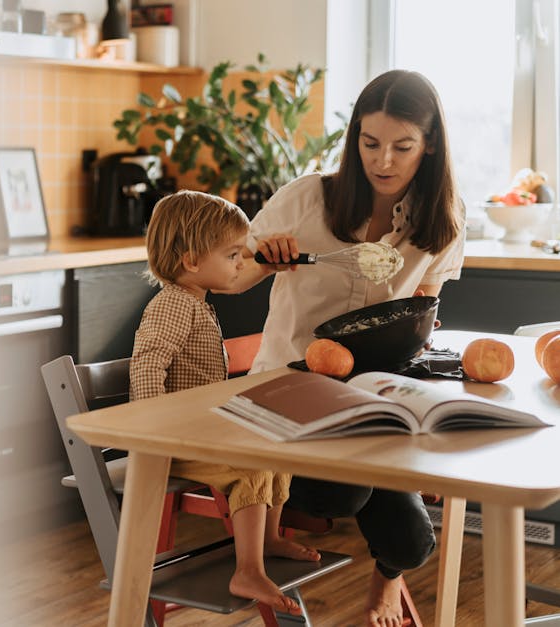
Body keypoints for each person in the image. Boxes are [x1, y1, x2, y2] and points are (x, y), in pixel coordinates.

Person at [248, 70, 465, 627]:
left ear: (431, 142)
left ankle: (384, 585)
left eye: (402, 146)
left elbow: (419, 317)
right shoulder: (307, 199)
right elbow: (228, 274)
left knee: (415, 543)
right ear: (355, 139)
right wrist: (259, 259)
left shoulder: (441, 221)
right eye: (370, 144)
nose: (384, 161)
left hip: (369, 397)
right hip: (288, 394)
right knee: (341, 497)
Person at [129, 189, 315, 615]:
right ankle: (247, 567)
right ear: (192, 261)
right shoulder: (174, 306)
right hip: (174, 443)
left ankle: (267, 540)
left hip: (197, 434)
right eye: (232, 254)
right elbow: (146, 364)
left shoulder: (194, 303)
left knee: (274, 449)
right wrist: (152, 430)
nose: (239, 263)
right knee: (251, 463)